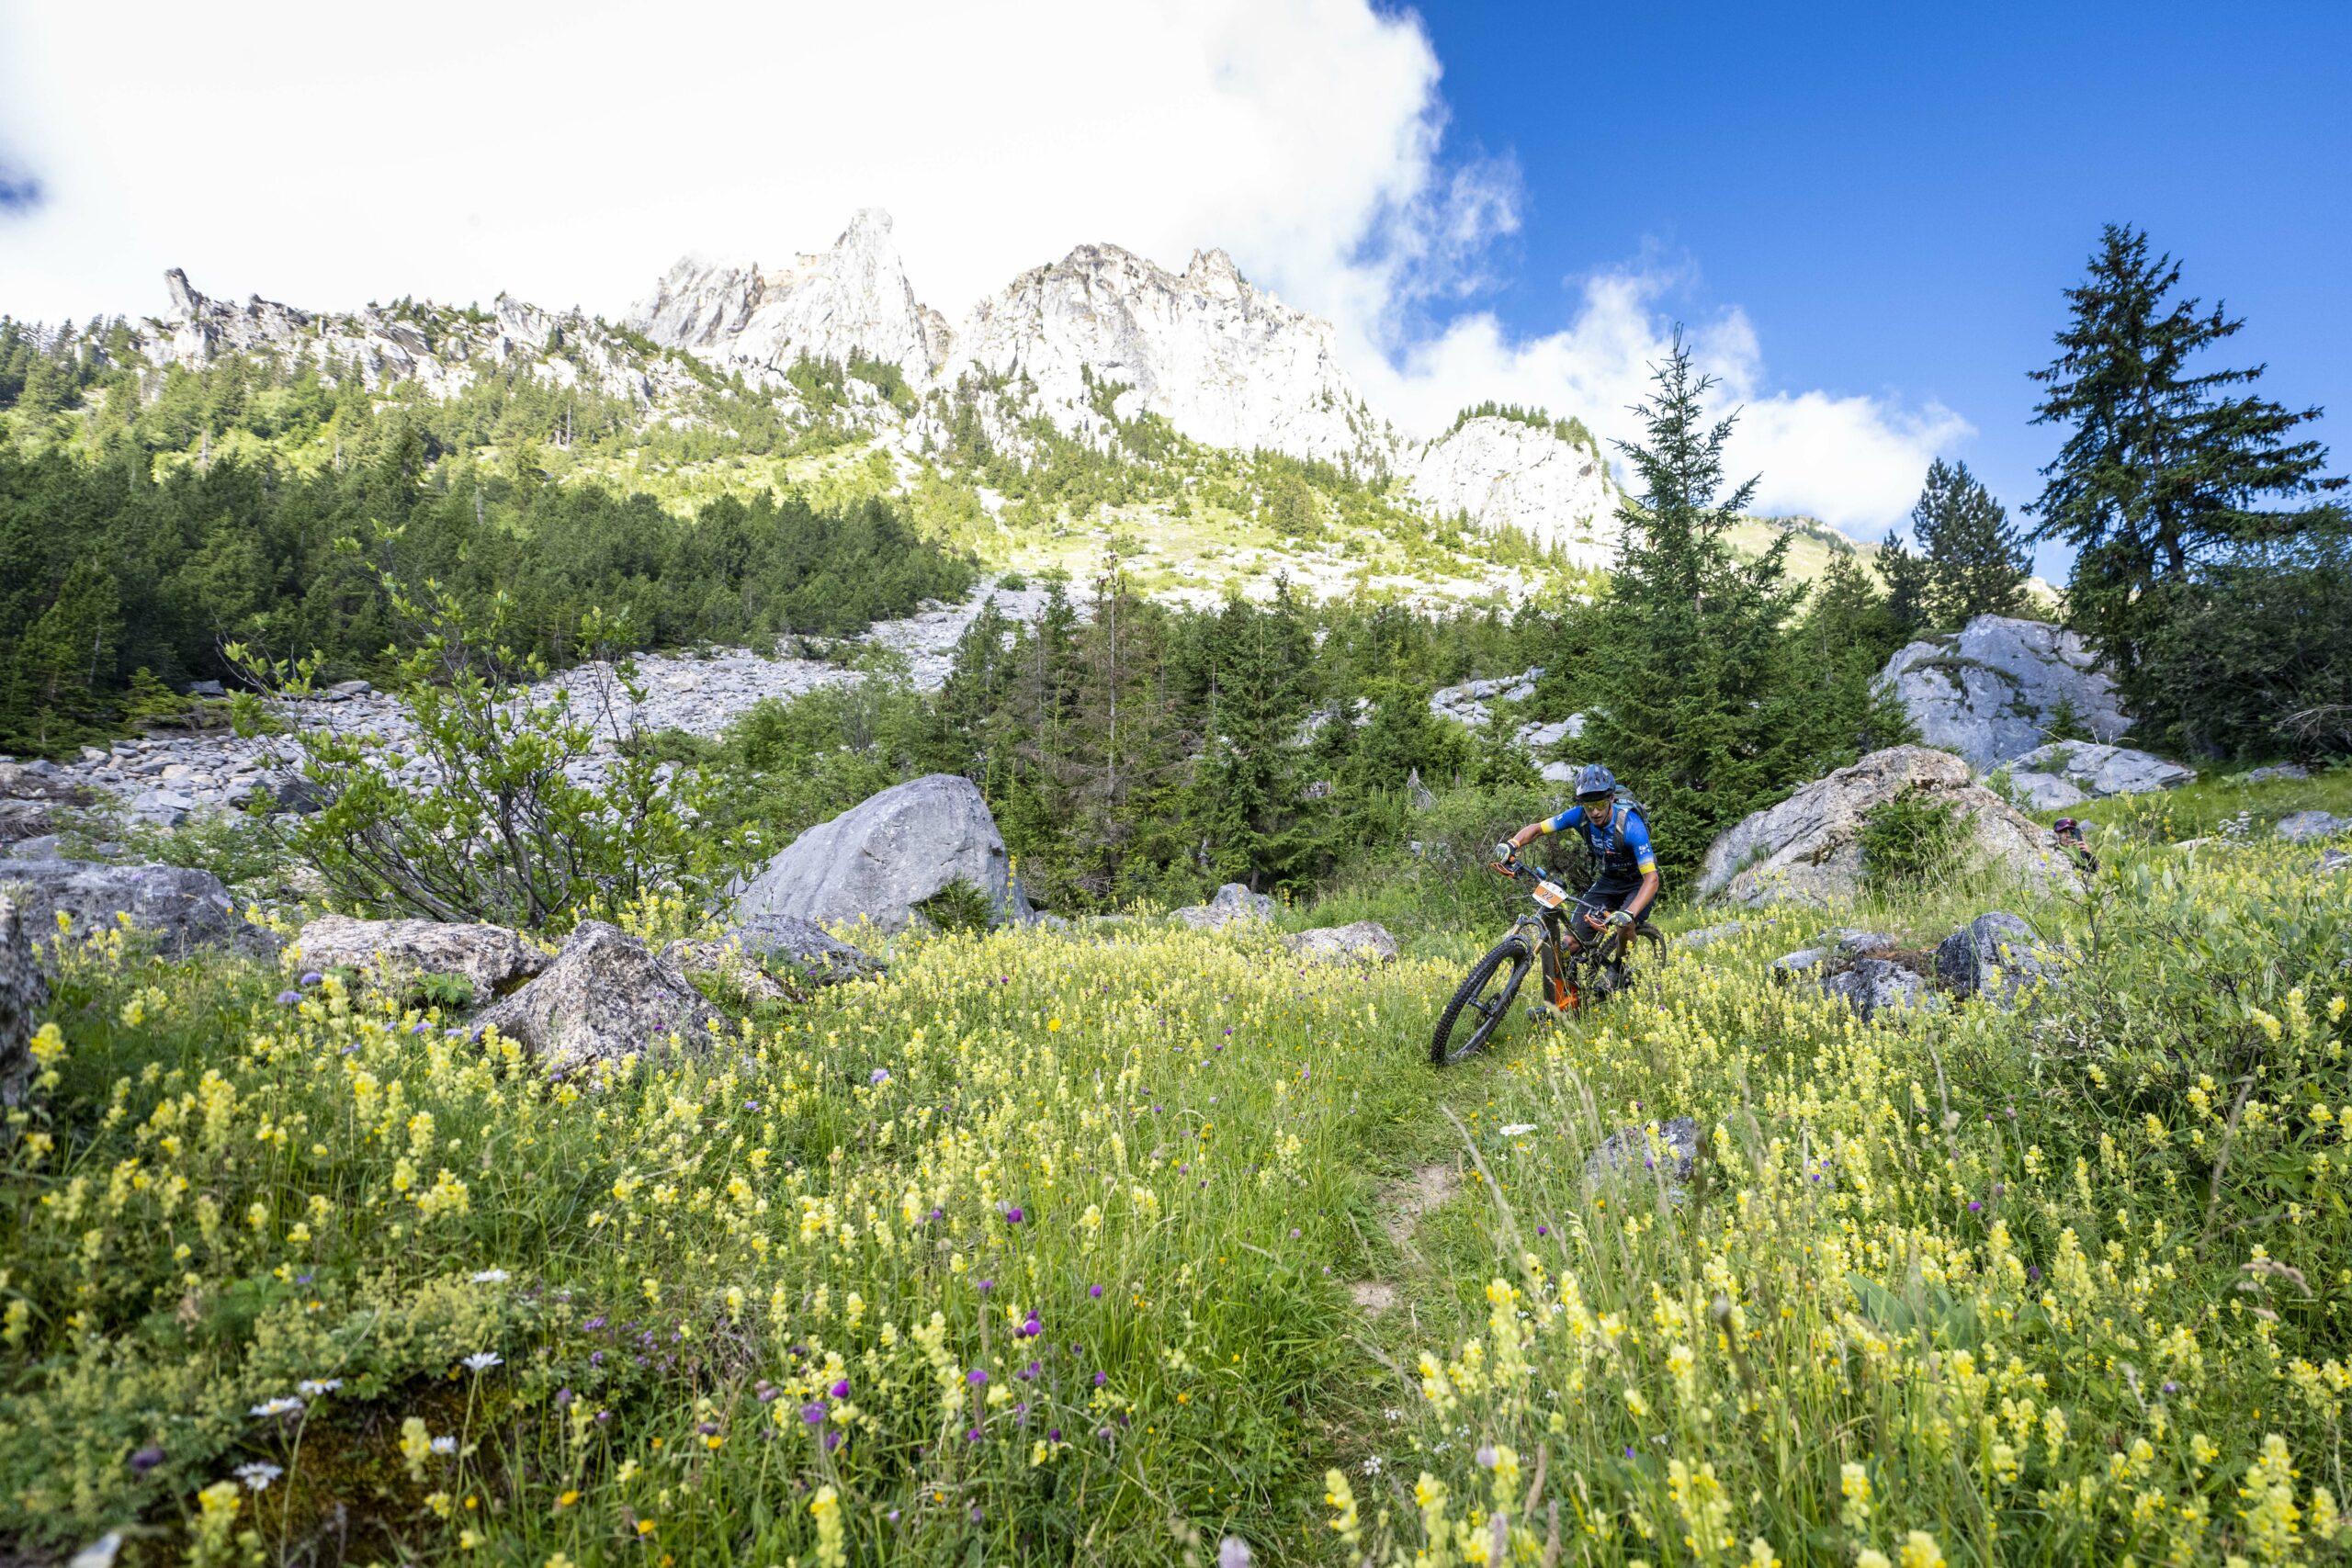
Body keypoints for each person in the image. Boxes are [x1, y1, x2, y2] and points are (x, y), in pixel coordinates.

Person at [1495, 764, 1661, 950]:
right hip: (1609, 880)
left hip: (1638, 882)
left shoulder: (1631, 826)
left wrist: (1629, 912)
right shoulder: (1578, 816)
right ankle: (1571, 977)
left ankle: (1619, 971)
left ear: (1611, 799)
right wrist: (1512, 844)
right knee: (1570, 943)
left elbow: (1651, 879)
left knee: (1624, 925)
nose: (1595, 812)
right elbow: (1537, 829)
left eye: (1600, 804)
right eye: (1589, 806)